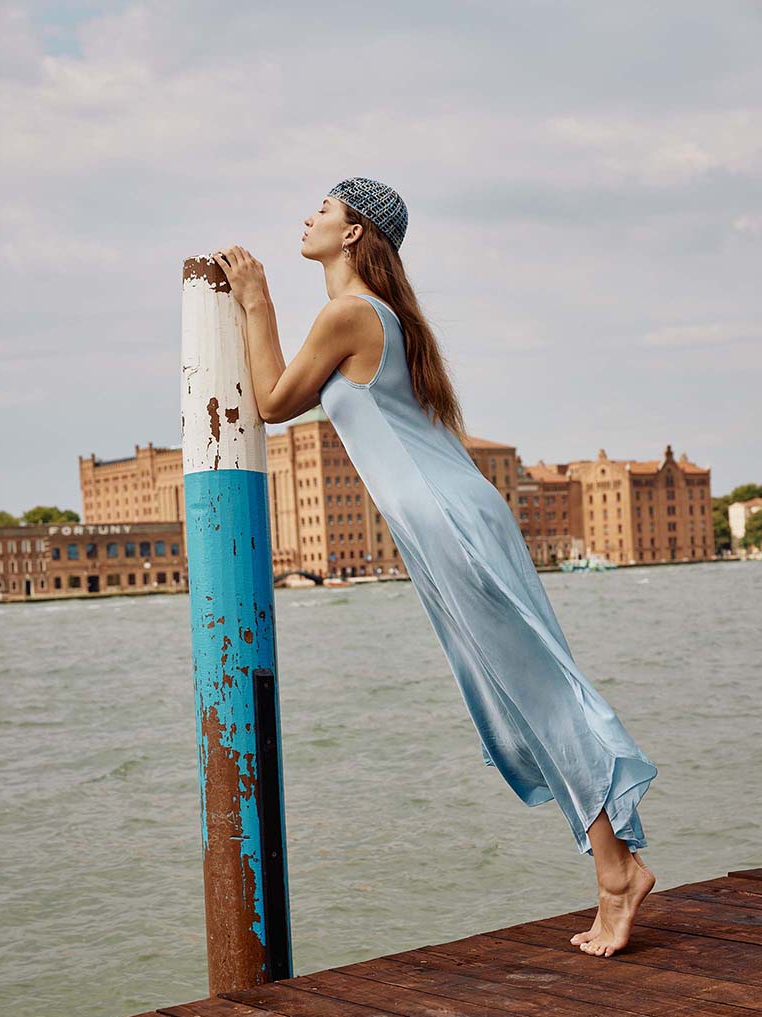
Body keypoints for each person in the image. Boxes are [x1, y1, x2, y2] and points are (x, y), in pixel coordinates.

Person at [213, 176, 658, 958]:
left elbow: (275, 402)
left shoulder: (351, 314)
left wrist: (256, 299)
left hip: (450, 525)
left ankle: (618, 873)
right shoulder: (377, 316)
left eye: (324, 208)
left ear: (355, 232)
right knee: (523, 696)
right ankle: (614, 864)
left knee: (539, 694)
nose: (309, 217)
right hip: (447, 524)